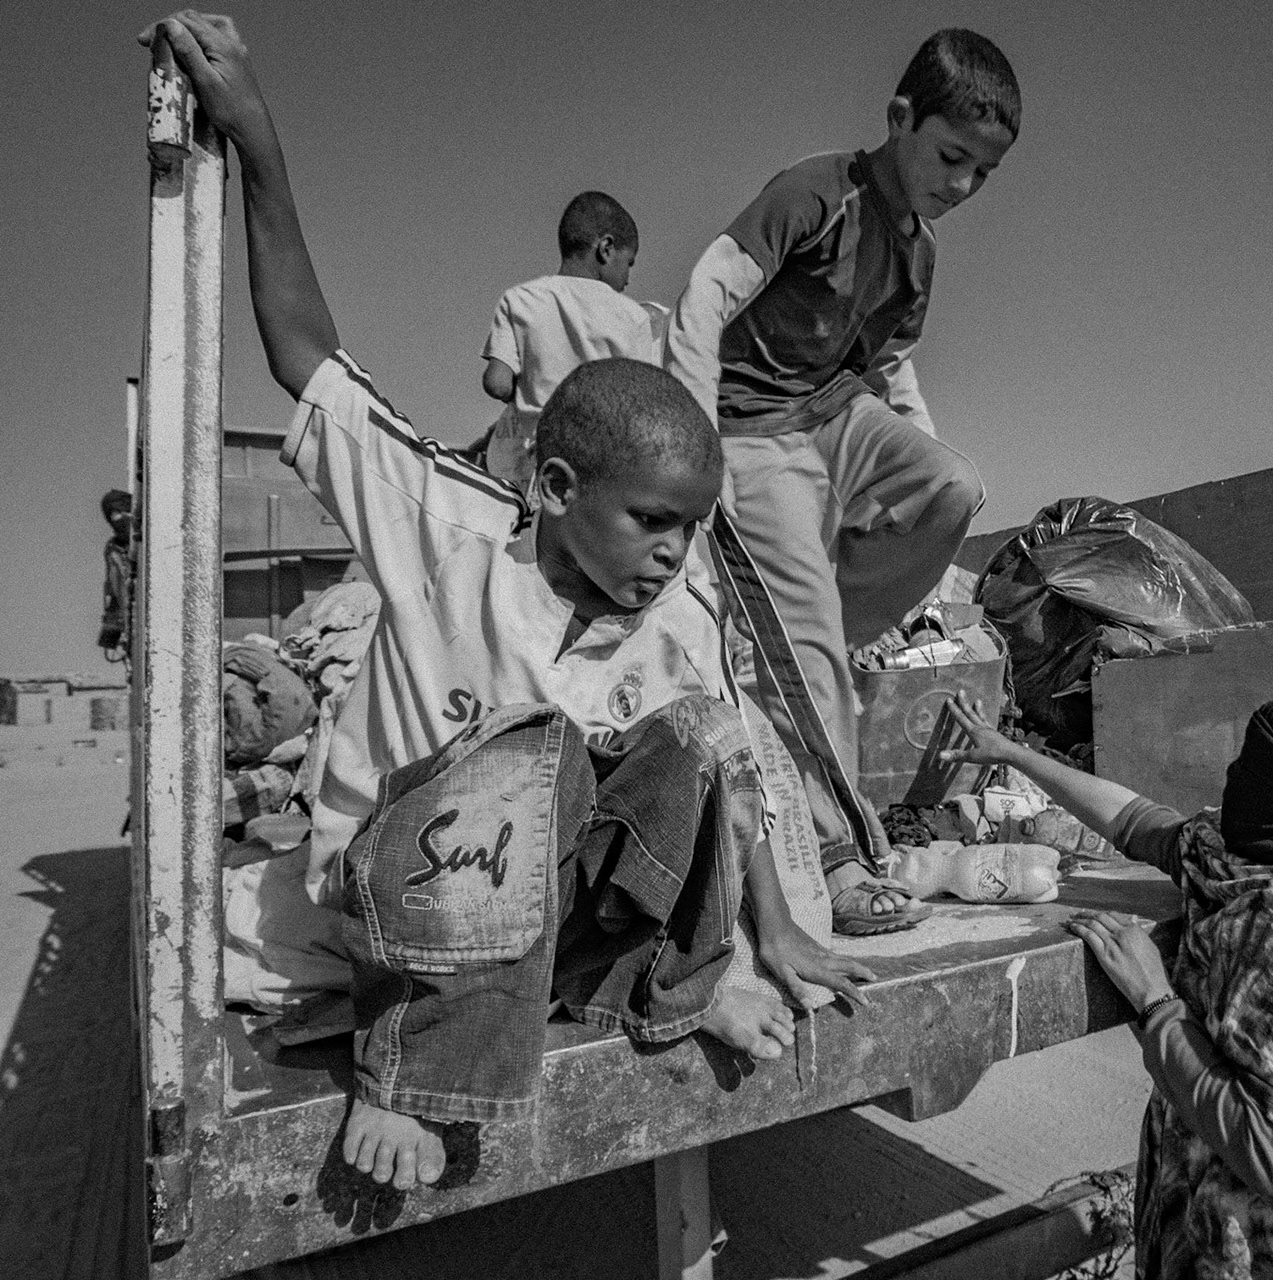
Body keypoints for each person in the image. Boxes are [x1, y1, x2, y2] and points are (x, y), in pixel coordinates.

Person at [142, 11, 874, 1191]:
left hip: (545, 901)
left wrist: (777, 928)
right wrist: (257, 139)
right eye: (652, 521)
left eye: (691, 527)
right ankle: (416, 1072)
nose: (673, 553)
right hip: (406, 891)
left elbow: (729, 786)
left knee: (696, 738)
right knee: (538, 752)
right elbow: (306, 357)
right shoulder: (444, 527)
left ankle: (666, 983)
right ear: (556, 486)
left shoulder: (680, 608)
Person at [663, 29, 1018, 935]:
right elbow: (704, 297)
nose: (962, 185)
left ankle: (795, 637)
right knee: (812, 643)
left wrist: (921, 464)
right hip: (751, 428)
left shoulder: (919, 253)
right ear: (900, 119)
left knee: (955, 487)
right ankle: (837, 860)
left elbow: (890, 368)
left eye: (983, 172)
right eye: (951, 157)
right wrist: (694, 450)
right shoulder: (817, 193)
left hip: (835, 414)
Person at [943, 695, 1273, 1279]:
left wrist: (1155, 1002)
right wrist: (1015, 755)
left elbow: (1271, 1153)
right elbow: (1138, 823)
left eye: (1250, 770)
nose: (1233, 776)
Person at [479, 191, 669, 490]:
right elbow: (645, 405)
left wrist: (527, 387)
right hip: (601, 468)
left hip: (535, 463)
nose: (628, 277)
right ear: (606, 249)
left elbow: (497, 383)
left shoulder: (520, 299)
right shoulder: (633, 317)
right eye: (629, 263)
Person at [98, 489, 135, 660]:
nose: (119, 518)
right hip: (135, 622)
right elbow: (112, 591)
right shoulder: (113, 551)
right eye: (114, 514)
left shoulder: (152, 537)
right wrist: (111, 632)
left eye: (123, 511)